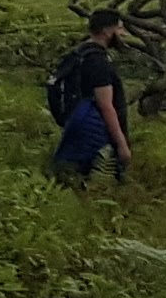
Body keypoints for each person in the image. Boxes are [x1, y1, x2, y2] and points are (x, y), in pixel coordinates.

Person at [45, 10, 134, 183]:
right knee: (98, 178)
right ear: (107, 31)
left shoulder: (79, 54)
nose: (123, 34)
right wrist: (122, 144)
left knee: (77, 176)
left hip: (77, 123)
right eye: (120, 28)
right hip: (96, 131)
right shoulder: (97, 61)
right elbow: (106, 106)